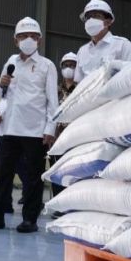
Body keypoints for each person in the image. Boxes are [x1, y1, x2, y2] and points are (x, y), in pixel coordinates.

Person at [0, 17, 58, 233]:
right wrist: (1, 89)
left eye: (33, 36)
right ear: (16, 40)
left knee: (33, 177)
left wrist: (50, 129)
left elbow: (53, 101)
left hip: (34, 130)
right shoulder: (11, 61)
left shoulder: (46, 66)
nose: (28, 40)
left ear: (39, 40)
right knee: (3, 174)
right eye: (23, 36)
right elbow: (4, 95)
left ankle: (29, 220)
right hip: (10, 128)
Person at [74, 0, 131, 82]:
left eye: (96, 16)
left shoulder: (123, 45)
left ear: (108, 22)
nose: (91, 20)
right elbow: (79, 83)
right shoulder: (82, 51)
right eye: (88, 17)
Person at [49, 52, 78, 218]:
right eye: (66, 65)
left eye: (73, 65)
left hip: (75, 136)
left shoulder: (82, 88)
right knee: (58, 172)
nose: (69, 68)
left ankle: (73, 205)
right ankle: (59, 205)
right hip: (57, 136)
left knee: (74, 171)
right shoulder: (55, 89)